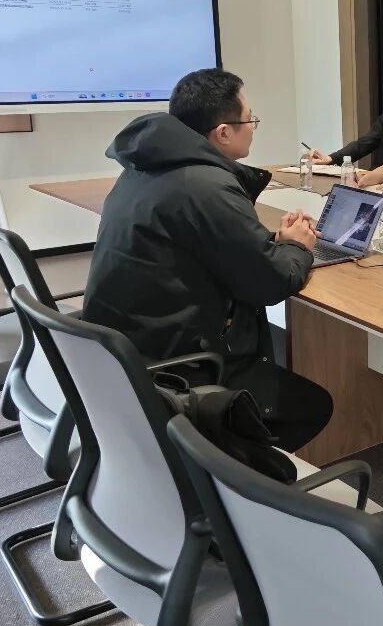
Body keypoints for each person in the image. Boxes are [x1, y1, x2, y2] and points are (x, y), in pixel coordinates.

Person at [83, 68, 332, 452]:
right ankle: (227, 469)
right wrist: (298, 247)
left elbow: (208, 245)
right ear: (223, 133)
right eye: (250, 119)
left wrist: (275, 242)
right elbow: (270, 283)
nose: (254, 128)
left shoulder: (144, 167)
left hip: (125, 354)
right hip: (178, 369)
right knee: (312, 407)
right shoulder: (206, 185)